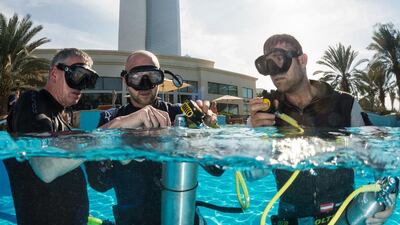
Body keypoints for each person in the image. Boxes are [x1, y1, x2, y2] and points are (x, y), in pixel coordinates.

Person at [248, 34, 396, 225]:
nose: (274, 71)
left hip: (345, 214)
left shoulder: (345, 104)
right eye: (267, 65)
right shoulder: (267, 113)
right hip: (290, 217)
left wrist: (389, 193)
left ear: (302, 60)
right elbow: (251, 175)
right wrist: (254, 133)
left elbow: (378, 153)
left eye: (279, 59)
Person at [85, 50, 221, 225]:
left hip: (182, 217)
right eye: (136, 77)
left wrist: (209, 132)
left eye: (152, 76)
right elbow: (99, 183)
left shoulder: (179, 114)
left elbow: (217, 169)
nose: (145, 84)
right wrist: (120, 129)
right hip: (133, 220)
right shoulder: (111, 119)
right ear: (124, 80)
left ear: (161, 79)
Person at [4, 48, 99, 225]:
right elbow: (45, 169)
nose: (80, 86)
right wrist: (102, 137)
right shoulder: (30, 101)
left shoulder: (62, 124)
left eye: (87, 79)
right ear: (54, 74)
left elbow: (101, 184)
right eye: (77, 75)